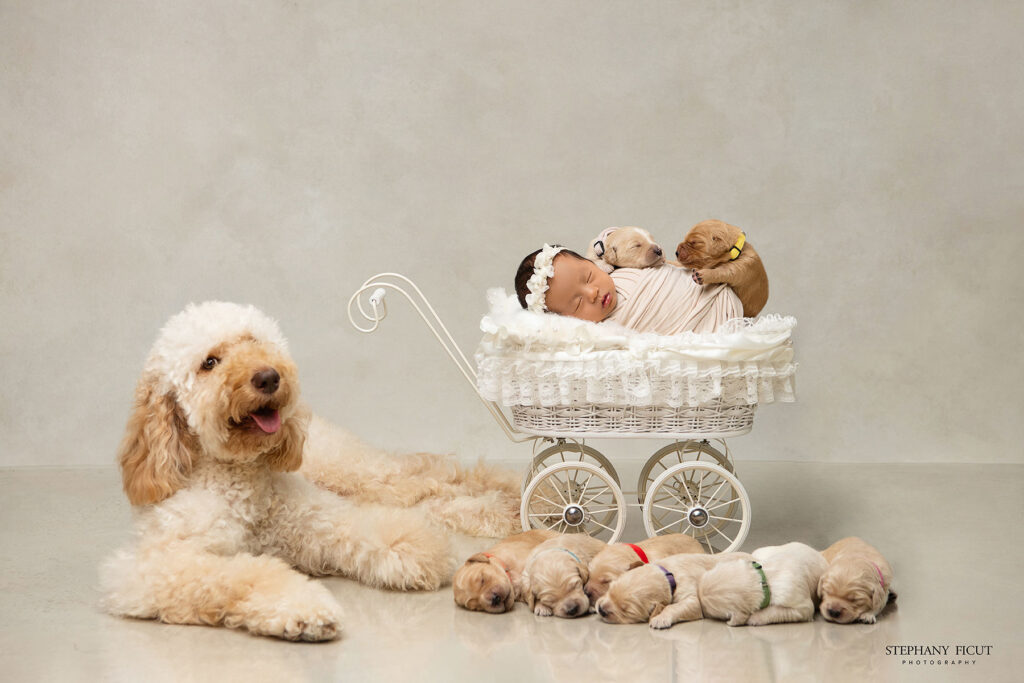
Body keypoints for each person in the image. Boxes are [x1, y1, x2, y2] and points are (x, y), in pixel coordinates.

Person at [513, 244, 742, 335]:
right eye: (577, 303)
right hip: (715, 325)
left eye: (589, 277)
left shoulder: (622, 269)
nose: (592, 293)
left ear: (593, 263)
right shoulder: (603, 334)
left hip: (716, 291)